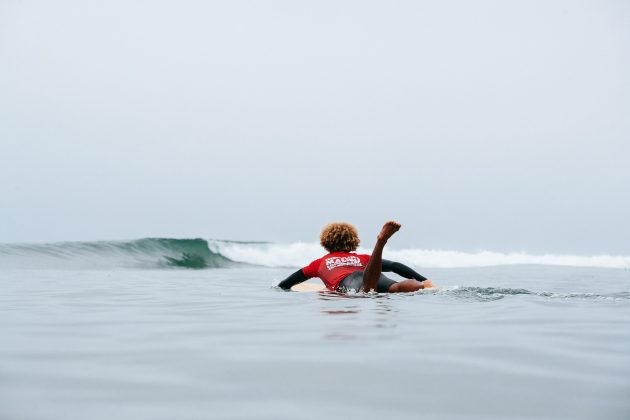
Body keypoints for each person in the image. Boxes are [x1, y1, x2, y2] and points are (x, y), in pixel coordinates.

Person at [277, 221, 434, 293]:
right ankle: (424, 285)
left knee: (365, 290)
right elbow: (395, 266)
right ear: (353, 241)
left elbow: (287, 283)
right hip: (373, 272)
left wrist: (279, 288)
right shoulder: (363, 258)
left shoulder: (319, 263)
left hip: (349, 281)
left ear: (325, 242)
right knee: (396, 287)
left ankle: (380, 243)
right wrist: (425, 280)